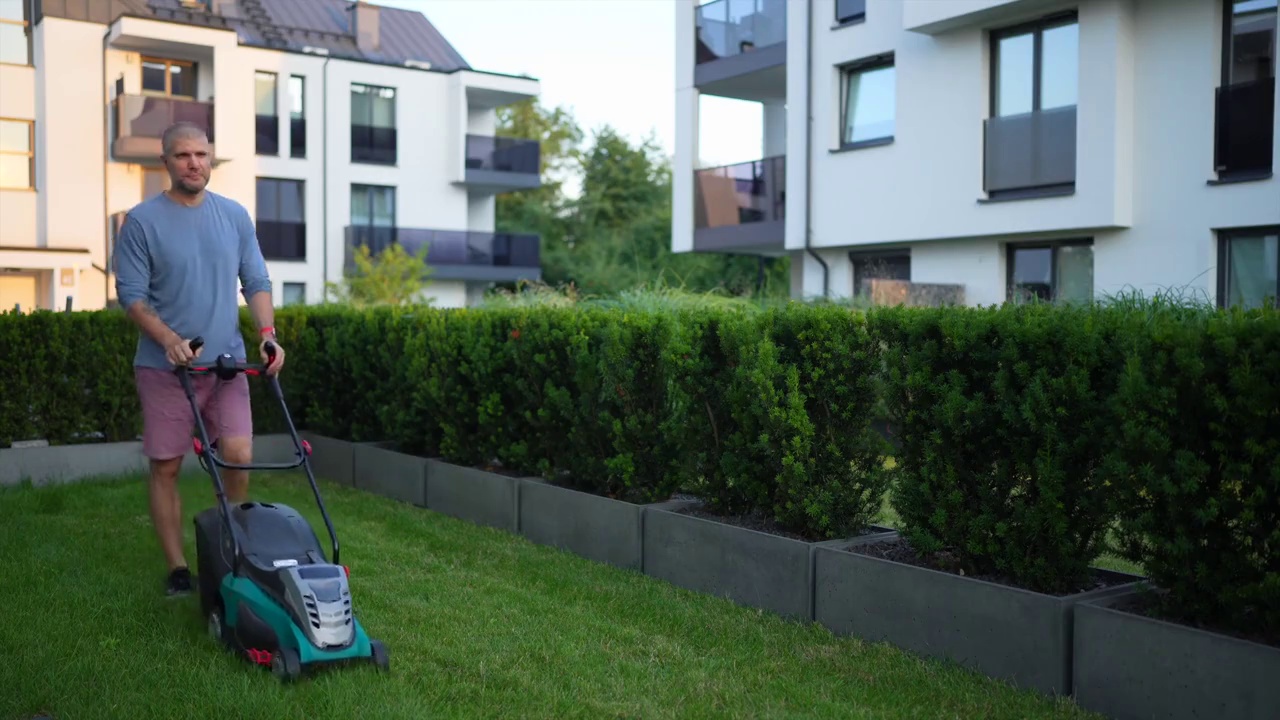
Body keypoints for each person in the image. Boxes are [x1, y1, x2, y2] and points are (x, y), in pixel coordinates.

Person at [112, 121, 287, 597]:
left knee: (239, 454)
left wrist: (267, 336)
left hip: (226, 364)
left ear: (211, 159)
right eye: (183, 155)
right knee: (166, 465)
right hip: (164, 369)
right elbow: (131, 295)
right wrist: (169, 339)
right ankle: (177, 568)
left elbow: (257, 281)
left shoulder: (233, 216)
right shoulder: (142, 221)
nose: (194, 163)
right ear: (166, 162)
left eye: (202, 155)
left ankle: (230, 539)